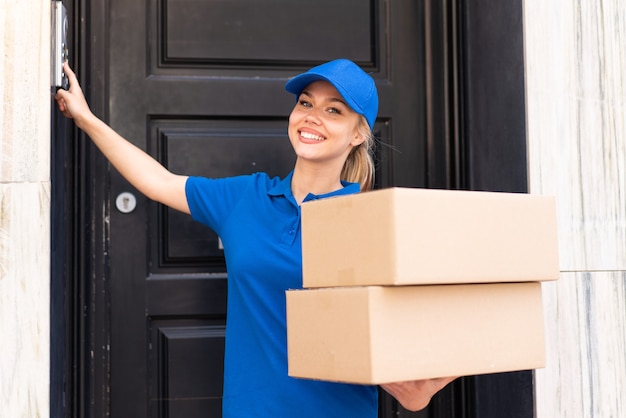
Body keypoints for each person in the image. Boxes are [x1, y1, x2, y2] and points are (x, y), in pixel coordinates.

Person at [56, 58, 456, 417]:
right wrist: (86, 118)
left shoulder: (371, 221)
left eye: (333, 110)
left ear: (357, 135)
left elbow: (413, 355)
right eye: (305, 103)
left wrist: (417, 379)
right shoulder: (246, 198)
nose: (312, 116)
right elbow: (159, 181)